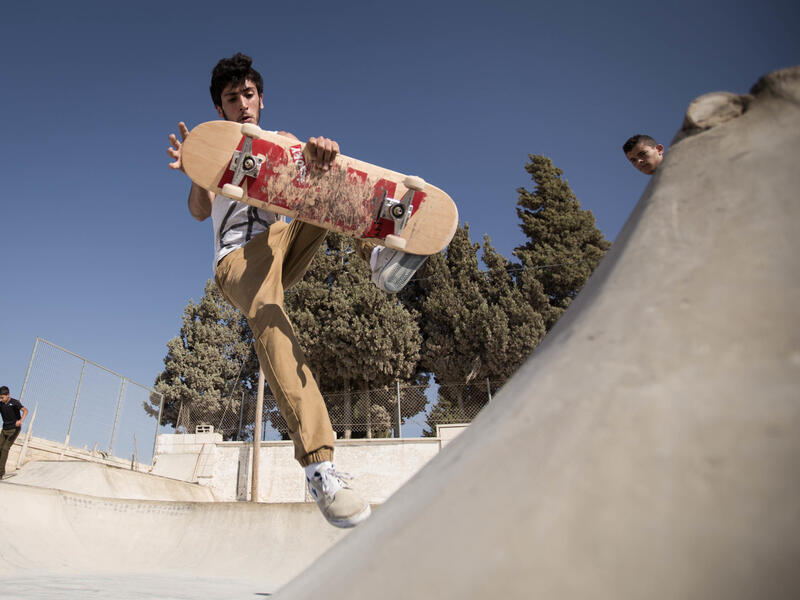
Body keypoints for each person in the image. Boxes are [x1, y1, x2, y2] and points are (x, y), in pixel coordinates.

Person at [167, 53, 424, 528]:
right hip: (239, 262)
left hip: (283, 244)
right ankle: (319, 467)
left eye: (248, 95)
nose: (242, 105)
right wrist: (195, 169)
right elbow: (199, 212)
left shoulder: (282, 140)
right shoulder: (214, 147)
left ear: (261, 99)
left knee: (326, 176)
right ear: (220, 108)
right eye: (231, 99)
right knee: (269, 313)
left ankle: (377, 253)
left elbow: (313, 175)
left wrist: (322, 154)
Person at [0, 386, 28, 480]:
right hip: (5, 429)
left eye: (2, 397)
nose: (1, 399)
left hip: (14, 429)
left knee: (5, 448)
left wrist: (21, 420)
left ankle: (1, 473)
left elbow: (25, 410)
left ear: (8, 395)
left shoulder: (15, 402)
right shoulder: (1, 404)